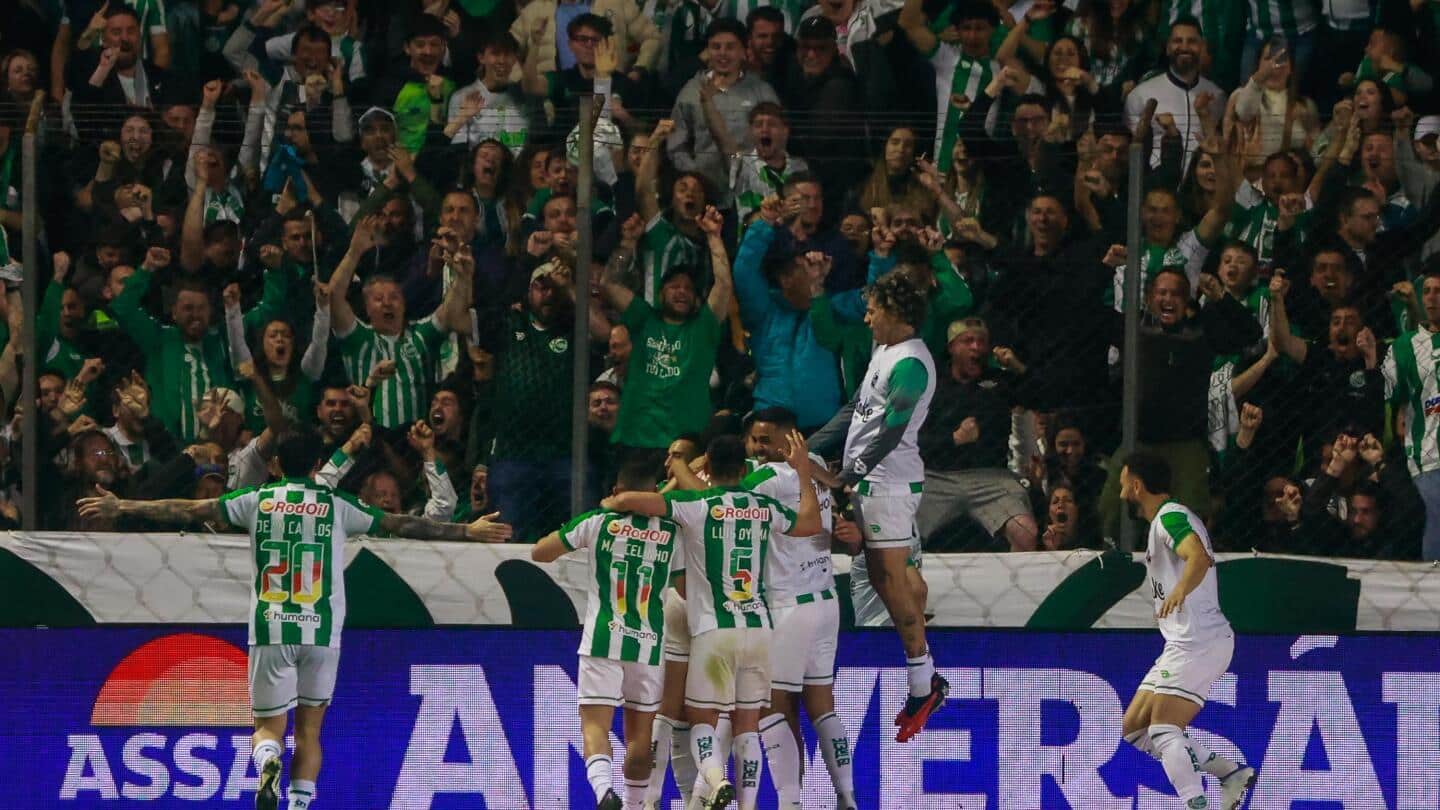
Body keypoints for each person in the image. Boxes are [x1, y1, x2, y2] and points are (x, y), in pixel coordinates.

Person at [75, 430, 513, 810]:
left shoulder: (258, 500)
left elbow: (189, 511)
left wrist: (124, 506)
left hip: (270, 627)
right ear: (320, 465)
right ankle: (300, 803)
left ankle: (267, 760)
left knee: (268, 727)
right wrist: (466, 531)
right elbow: (401, 524)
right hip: (321, 630)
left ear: (277, 464)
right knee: (310, 731)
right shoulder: (336, 503)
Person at [601, 432, 821, 810]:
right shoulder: (764, 506)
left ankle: (678, 792)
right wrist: (802, 473)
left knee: (686, 713)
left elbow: (630, 501)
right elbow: (810, 523)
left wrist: (617, 498)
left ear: (707, 465)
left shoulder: (694, 502)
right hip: (757, 625)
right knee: (747, 724)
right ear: (744, 467)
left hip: (707, 622)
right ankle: (744, 805)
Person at [809, 271, 947, 742]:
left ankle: (922, 682)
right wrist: (810, 447)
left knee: (890, 584)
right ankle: (925, 673)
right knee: (901, 580)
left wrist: (850, 473)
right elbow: (857, 410)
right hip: (872, 481)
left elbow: (891, 429)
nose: (866, 317)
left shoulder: (912, 364)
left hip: (887, 484)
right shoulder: (883, 352)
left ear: (896, 312)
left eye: (873, 310)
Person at [531, 457, 682, 810]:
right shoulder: (673, 533)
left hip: (603, 637)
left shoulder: (598, 522)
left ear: (616, 492)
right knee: (640, 737)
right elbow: (686, 587)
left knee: (595, 725)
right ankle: (633, 805)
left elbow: (540, 552)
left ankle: (603, 793)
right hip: (648, 643)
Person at [1116, 451, 1256, 810]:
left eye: (1122, 486)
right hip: (1184, 642)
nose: (1120, 495)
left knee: (1164, 731)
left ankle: (1196, 804)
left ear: (1136, 485)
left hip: (1199, 642)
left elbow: (1198, 556)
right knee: (1135, 729)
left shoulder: (1170, 518)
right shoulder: (1166, 520)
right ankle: (1230, 772)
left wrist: (1180, 590)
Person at [740, 408, 855, 810]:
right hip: (826, 600)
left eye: (766, 439)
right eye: (754, 439)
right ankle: (847, 796)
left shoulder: (767, 478)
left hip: (788, 604)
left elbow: (720, 491)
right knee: (823, 705)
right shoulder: (817, 465)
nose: (758, 447)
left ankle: (790, 803)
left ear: (791, 441)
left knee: (774, 706)